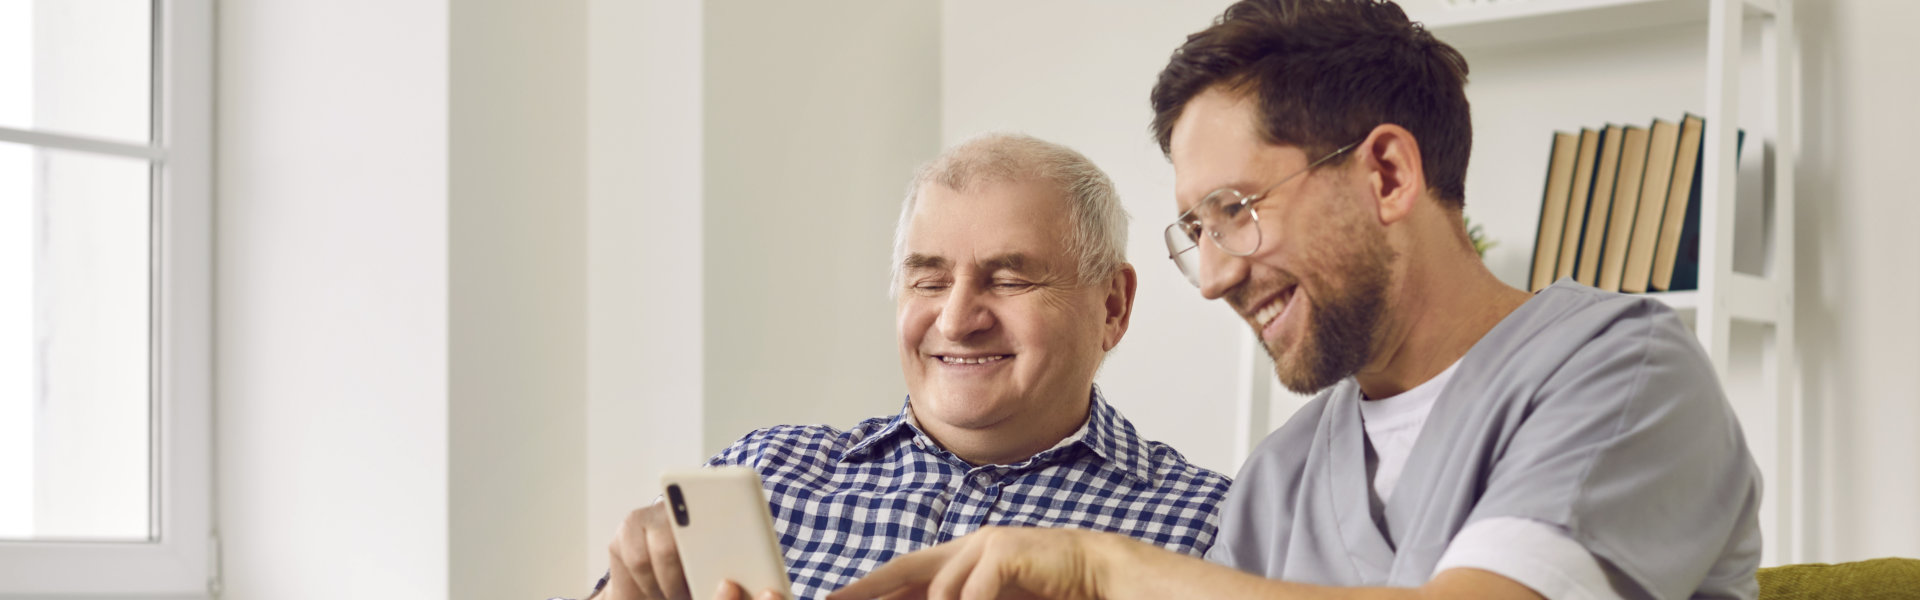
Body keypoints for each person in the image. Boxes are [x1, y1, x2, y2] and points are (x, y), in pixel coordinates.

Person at [827, 1, 1763, 599]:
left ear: (1388, 174)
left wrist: (1097, 562)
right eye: (1196, 230)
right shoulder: (1282, 478)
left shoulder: (1624, 373)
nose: (1217, 274)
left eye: (1235, 211)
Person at [585, 133, 1231, 600]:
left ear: (1112, 305)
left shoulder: (1218, 527)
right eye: (929, 281)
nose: (956, 320)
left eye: (1008, 280)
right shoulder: (764, 476)